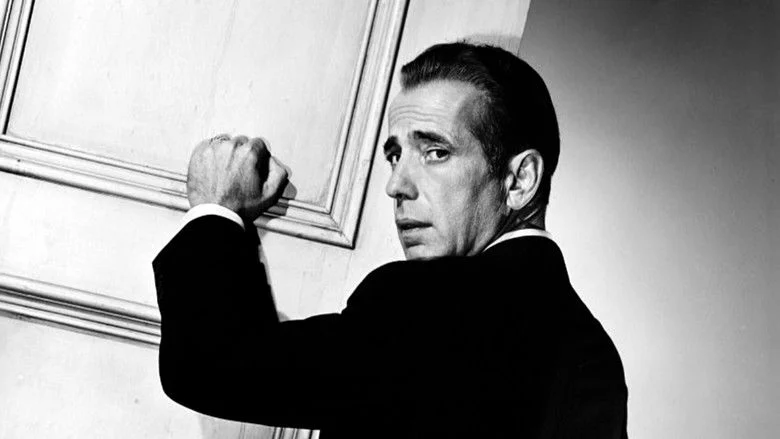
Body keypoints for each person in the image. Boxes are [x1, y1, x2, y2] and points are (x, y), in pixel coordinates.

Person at [153, 42, 629, 438]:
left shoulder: (424, 303)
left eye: (436, 152)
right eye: (395, 156)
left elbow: (209, 365)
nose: (396, 185)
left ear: (519, 180)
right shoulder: (596, 357)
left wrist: (216, 209)